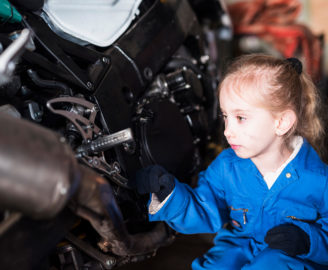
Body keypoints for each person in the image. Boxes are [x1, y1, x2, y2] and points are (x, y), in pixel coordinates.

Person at [135, 54, 328, 269]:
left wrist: (308, 240)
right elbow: (203, 207)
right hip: (238, 248)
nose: (227, 131)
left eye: (241, 118)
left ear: (281, 122)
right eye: (225, 116)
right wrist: (169, 195)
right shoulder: (226, 166)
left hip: (290, 259)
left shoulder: (320, 180)